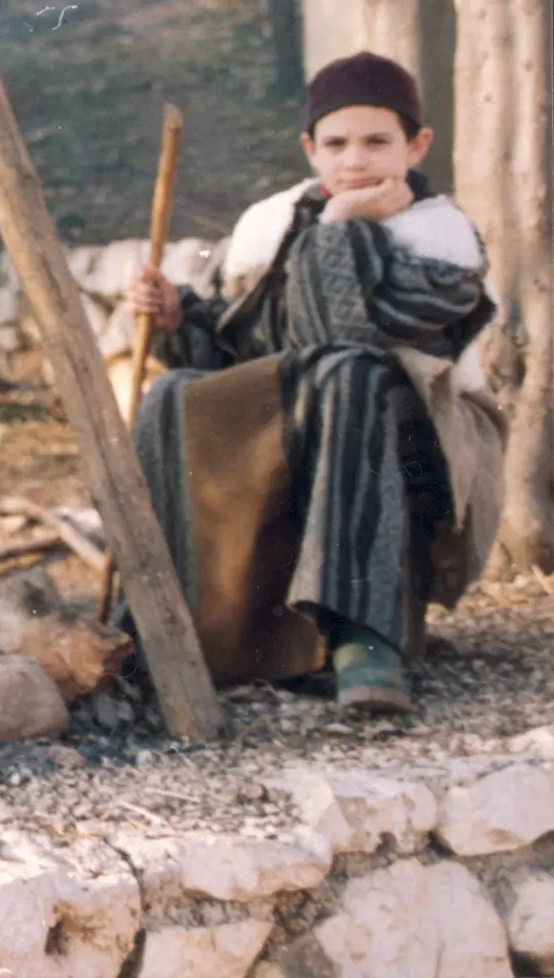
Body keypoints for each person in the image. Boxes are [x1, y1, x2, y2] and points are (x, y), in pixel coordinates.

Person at [126, 52, 503, 714]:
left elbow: (345, 337)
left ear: (416, 145)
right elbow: (242, 352)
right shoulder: (273, 223)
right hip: (306, 408)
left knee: (348, 372)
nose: (355, 161)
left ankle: (364, 637)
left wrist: (339, 230)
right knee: (177, 392)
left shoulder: (442, 238)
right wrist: (181, 316)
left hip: (419, 433)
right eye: (336, 144)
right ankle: (187, 629)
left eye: (377, 142)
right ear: (310, 148)